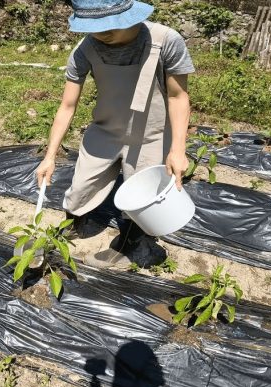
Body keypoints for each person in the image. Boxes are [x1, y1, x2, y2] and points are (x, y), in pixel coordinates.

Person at [35, 0, 194, 269]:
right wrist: (50, 156)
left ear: (129, 13)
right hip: (106, 130)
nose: (102, 32)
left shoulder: (165, 41)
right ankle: (76, 223)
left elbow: (178, 97)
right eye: (93, 26)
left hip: (151, 135)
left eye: (109, 24)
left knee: (139, 199)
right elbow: (67, 105)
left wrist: (177, 149)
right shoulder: (84, 49)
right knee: (81, 186)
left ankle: (131, 243)